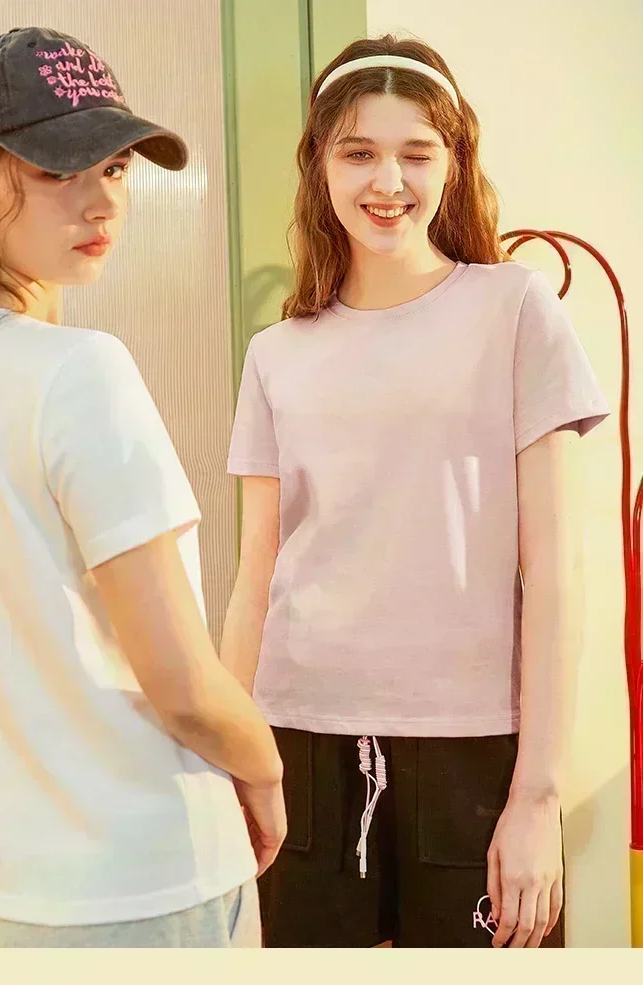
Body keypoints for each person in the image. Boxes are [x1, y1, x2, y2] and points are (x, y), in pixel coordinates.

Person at [0, 26, 286, 948]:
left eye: (117, 166)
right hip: (136, 887)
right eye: (57, 170)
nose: (103, 200)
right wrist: (264, 764)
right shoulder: (79, 372)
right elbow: (183, 685)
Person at [221, 34, 610, 949]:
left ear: (454, 162)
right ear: (320, 164)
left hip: (472, 746)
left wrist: (537, 794)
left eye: (416, 153)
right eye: (358, 151)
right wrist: (229, 760)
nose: (387, 181)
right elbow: (255, 578)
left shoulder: (516, 309)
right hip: (298, 741)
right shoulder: (276, 352)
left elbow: (556, 572)